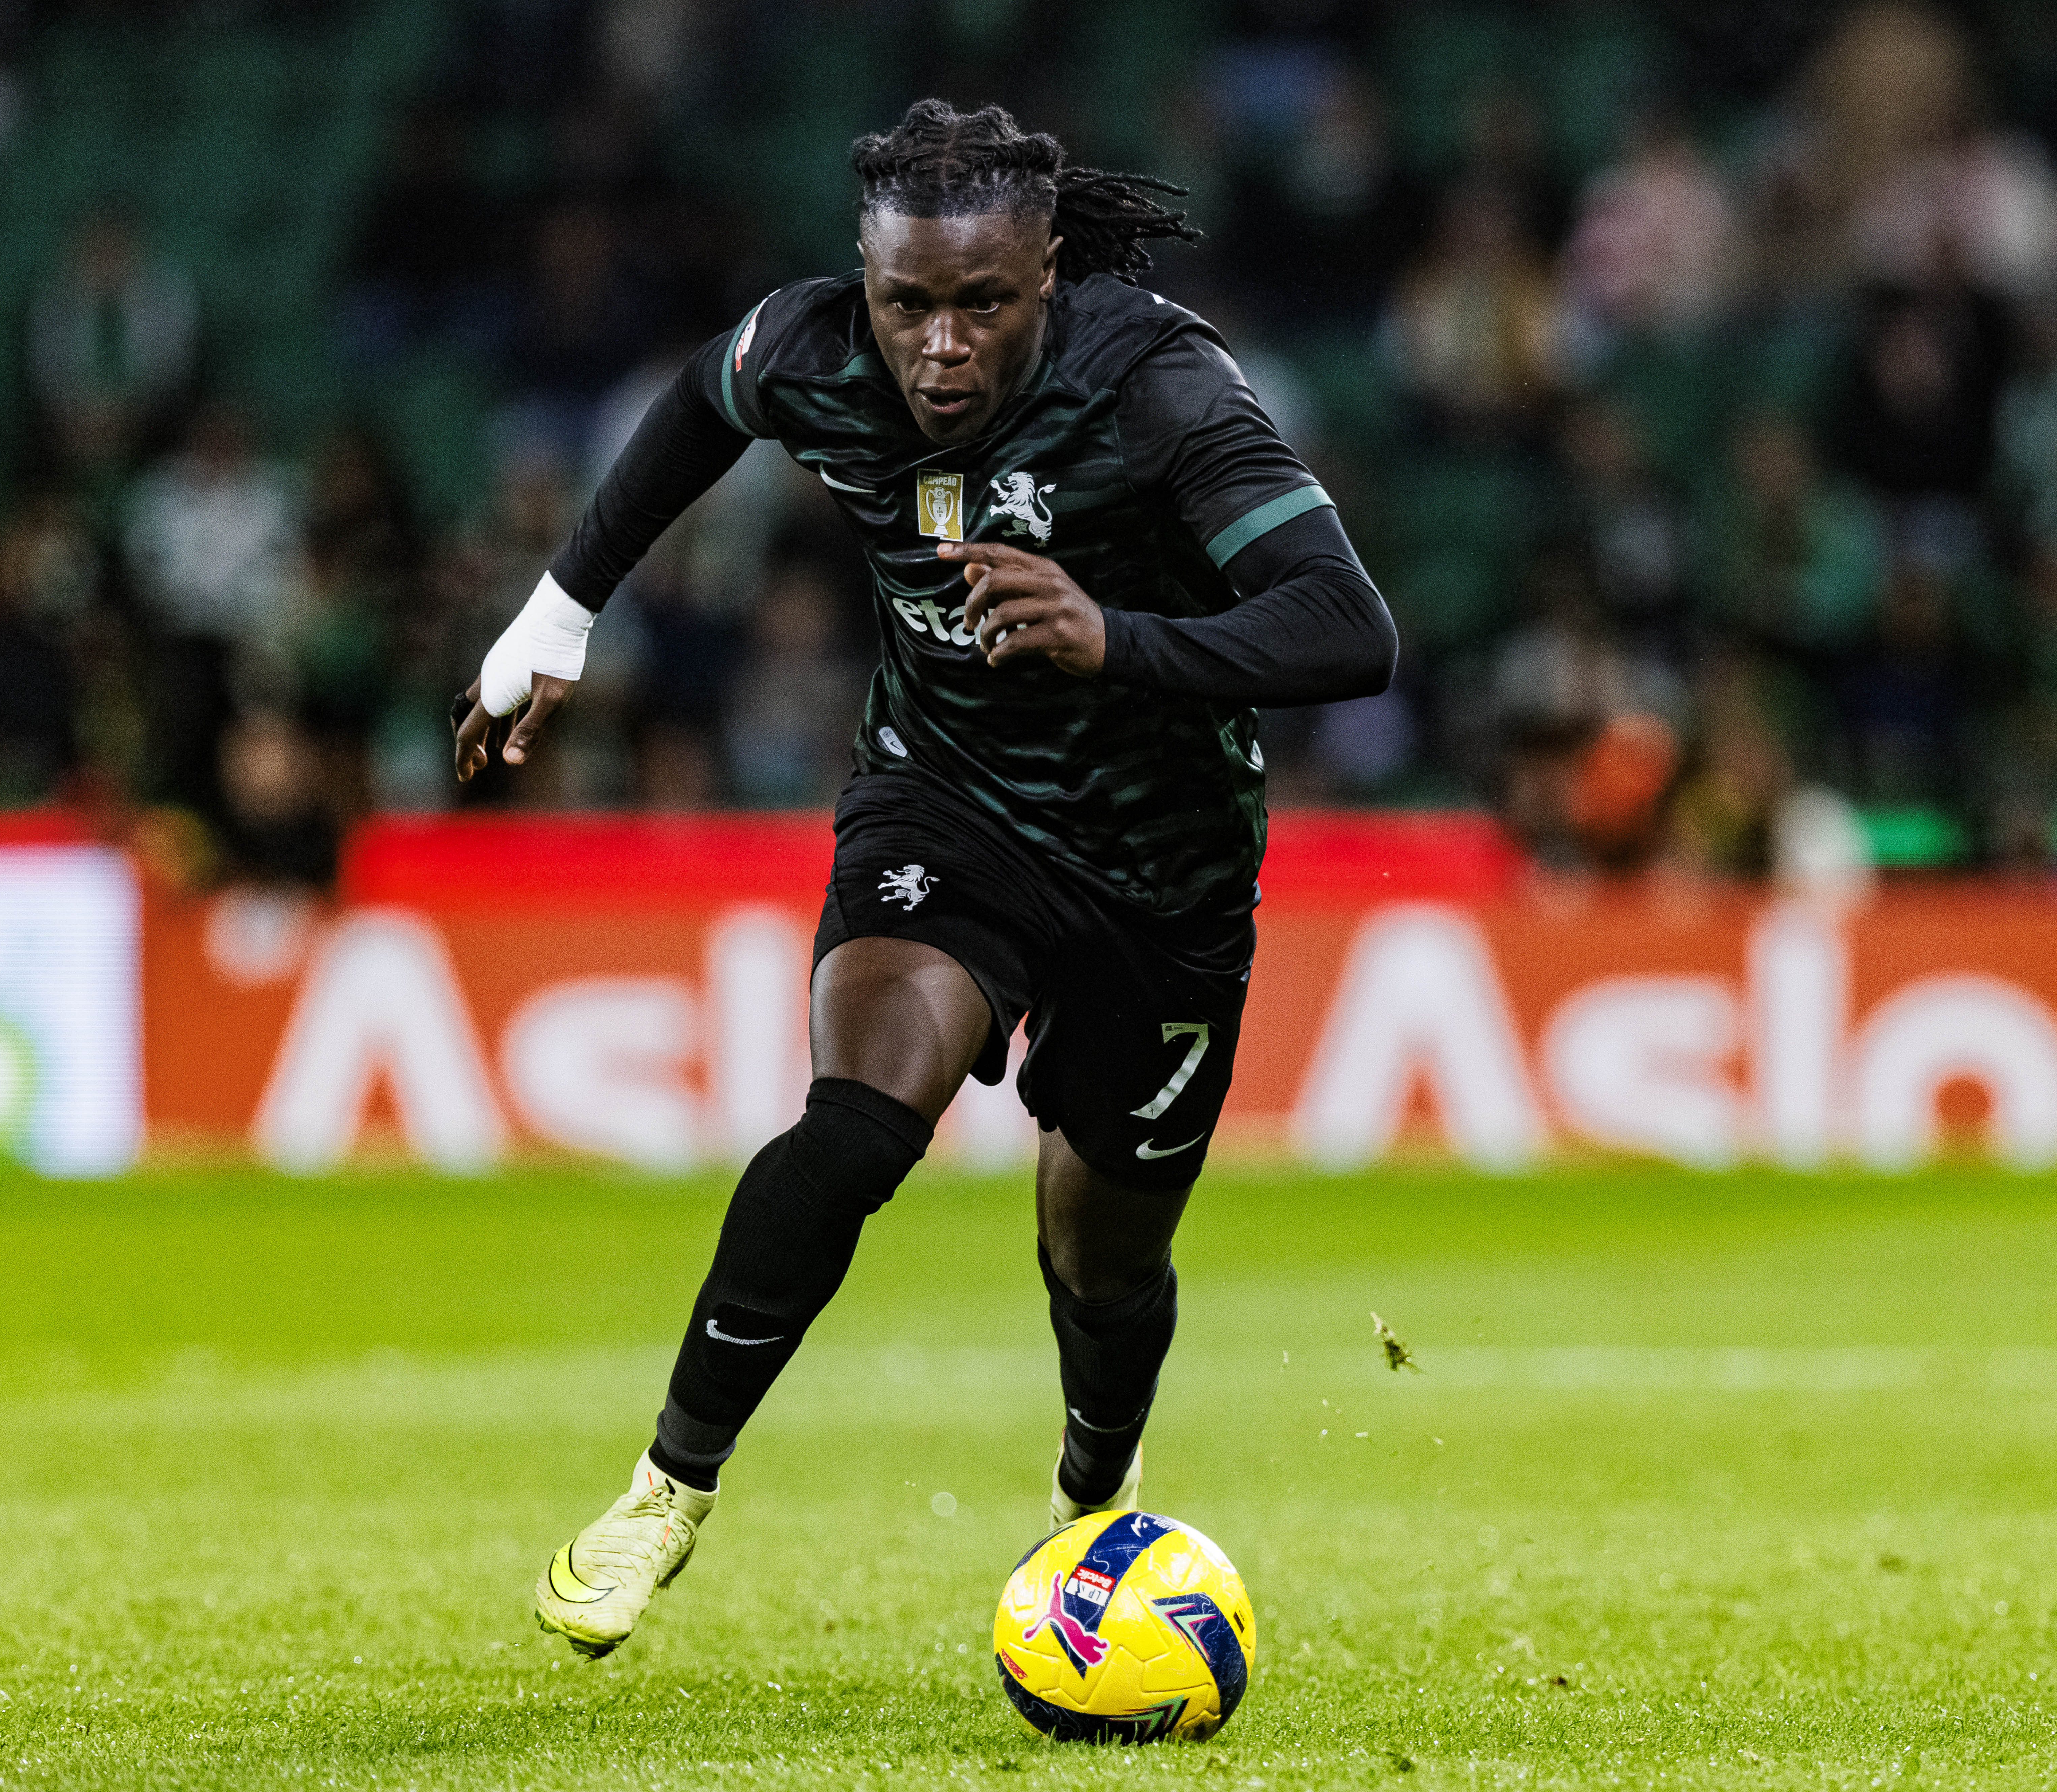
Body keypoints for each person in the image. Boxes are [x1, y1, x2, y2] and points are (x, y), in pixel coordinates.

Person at [451, 100, 1397, 1659]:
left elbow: (1343, 626)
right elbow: (701, 401)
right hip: (942, 804)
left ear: (1044, 279)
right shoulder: (806, 351)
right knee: (858, 1121)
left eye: (981, 305)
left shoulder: (1154, 389)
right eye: (907, 304)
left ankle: (1095, 1498)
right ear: (863, 283)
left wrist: (1118, 639)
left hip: (1162, 867)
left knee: (1105, 1252)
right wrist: (559, 614)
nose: (939, 346)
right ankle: (663, 1492)